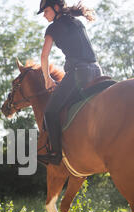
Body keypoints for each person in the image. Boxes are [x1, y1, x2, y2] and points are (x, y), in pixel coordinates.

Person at [37, 0, 102, 165]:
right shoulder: (77, 22)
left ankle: (56, 154)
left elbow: (44, 56)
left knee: (50, 112)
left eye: (45, 11)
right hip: (97, 71)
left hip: (78, 74)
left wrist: (47, 79)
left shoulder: (52, 28)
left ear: (56, 7)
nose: (44, 15)